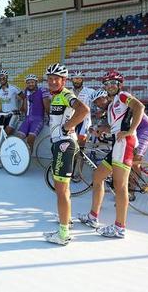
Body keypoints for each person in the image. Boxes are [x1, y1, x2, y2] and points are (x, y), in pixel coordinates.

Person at [78, 71, 145, 239]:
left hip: (125, 144)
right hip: (117, 144)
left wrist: (130, 130)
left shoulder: (123, 96)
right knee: (98, 176)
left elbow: (140, 107)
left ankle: (119, 227)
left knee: (120, 186)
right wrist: (101, 130)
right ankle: (93, 217)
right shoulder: (112, 104)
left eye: (113, 83)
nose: (110, 86)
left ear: (119, 84)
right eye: (107, 84)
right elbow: (114, 127)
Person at [42, 64, 90, 246]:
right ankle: (66, 220)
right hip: (60, 143)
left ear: (64, 81)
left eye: (57, 79)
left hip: (64, 144)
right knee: (63, 188)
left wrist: (66, 127)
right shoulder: (56, 96)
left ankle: (63, 235)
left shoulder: (65, 95)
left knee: (61, 191)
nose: (53, 82)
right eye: (50, 79)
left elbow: (84, 110)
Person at [0, 69, 25, 168]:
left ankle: (5, 159)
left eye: (3, 77)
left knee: (6, 136)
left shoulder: (14, 88)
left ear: (6, 78)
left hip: (13, 115)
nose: (1, 79)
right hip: (2, 115)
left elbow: (24, 98)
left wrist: (21, 108)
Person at [17, 74, 50, 153]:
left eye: (32, 82)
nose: (30, 84)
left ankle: (28, 158)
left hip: (38, 119)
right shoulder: (26, 91)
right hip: (27, 119)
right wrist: (22, 111)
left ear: (36, 82)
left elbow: (47, 106)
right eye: (28, 82)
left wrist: (50, 118)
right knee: (18, 138)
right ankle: (21, 159)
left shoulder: (42, 90)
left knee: (30, 139)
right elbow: (25, 104)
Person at [70, 71, 94, 148]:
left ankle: (81, 157)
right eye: (75, 79)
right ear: (72, 80)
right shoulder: (68, 92)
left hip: (85, 119)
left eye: (79, 79)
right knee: (70, 139)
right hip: (72, 118)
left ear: (83, 80)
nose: (77, 81)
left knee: (82, 139)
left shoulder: (90, 91)